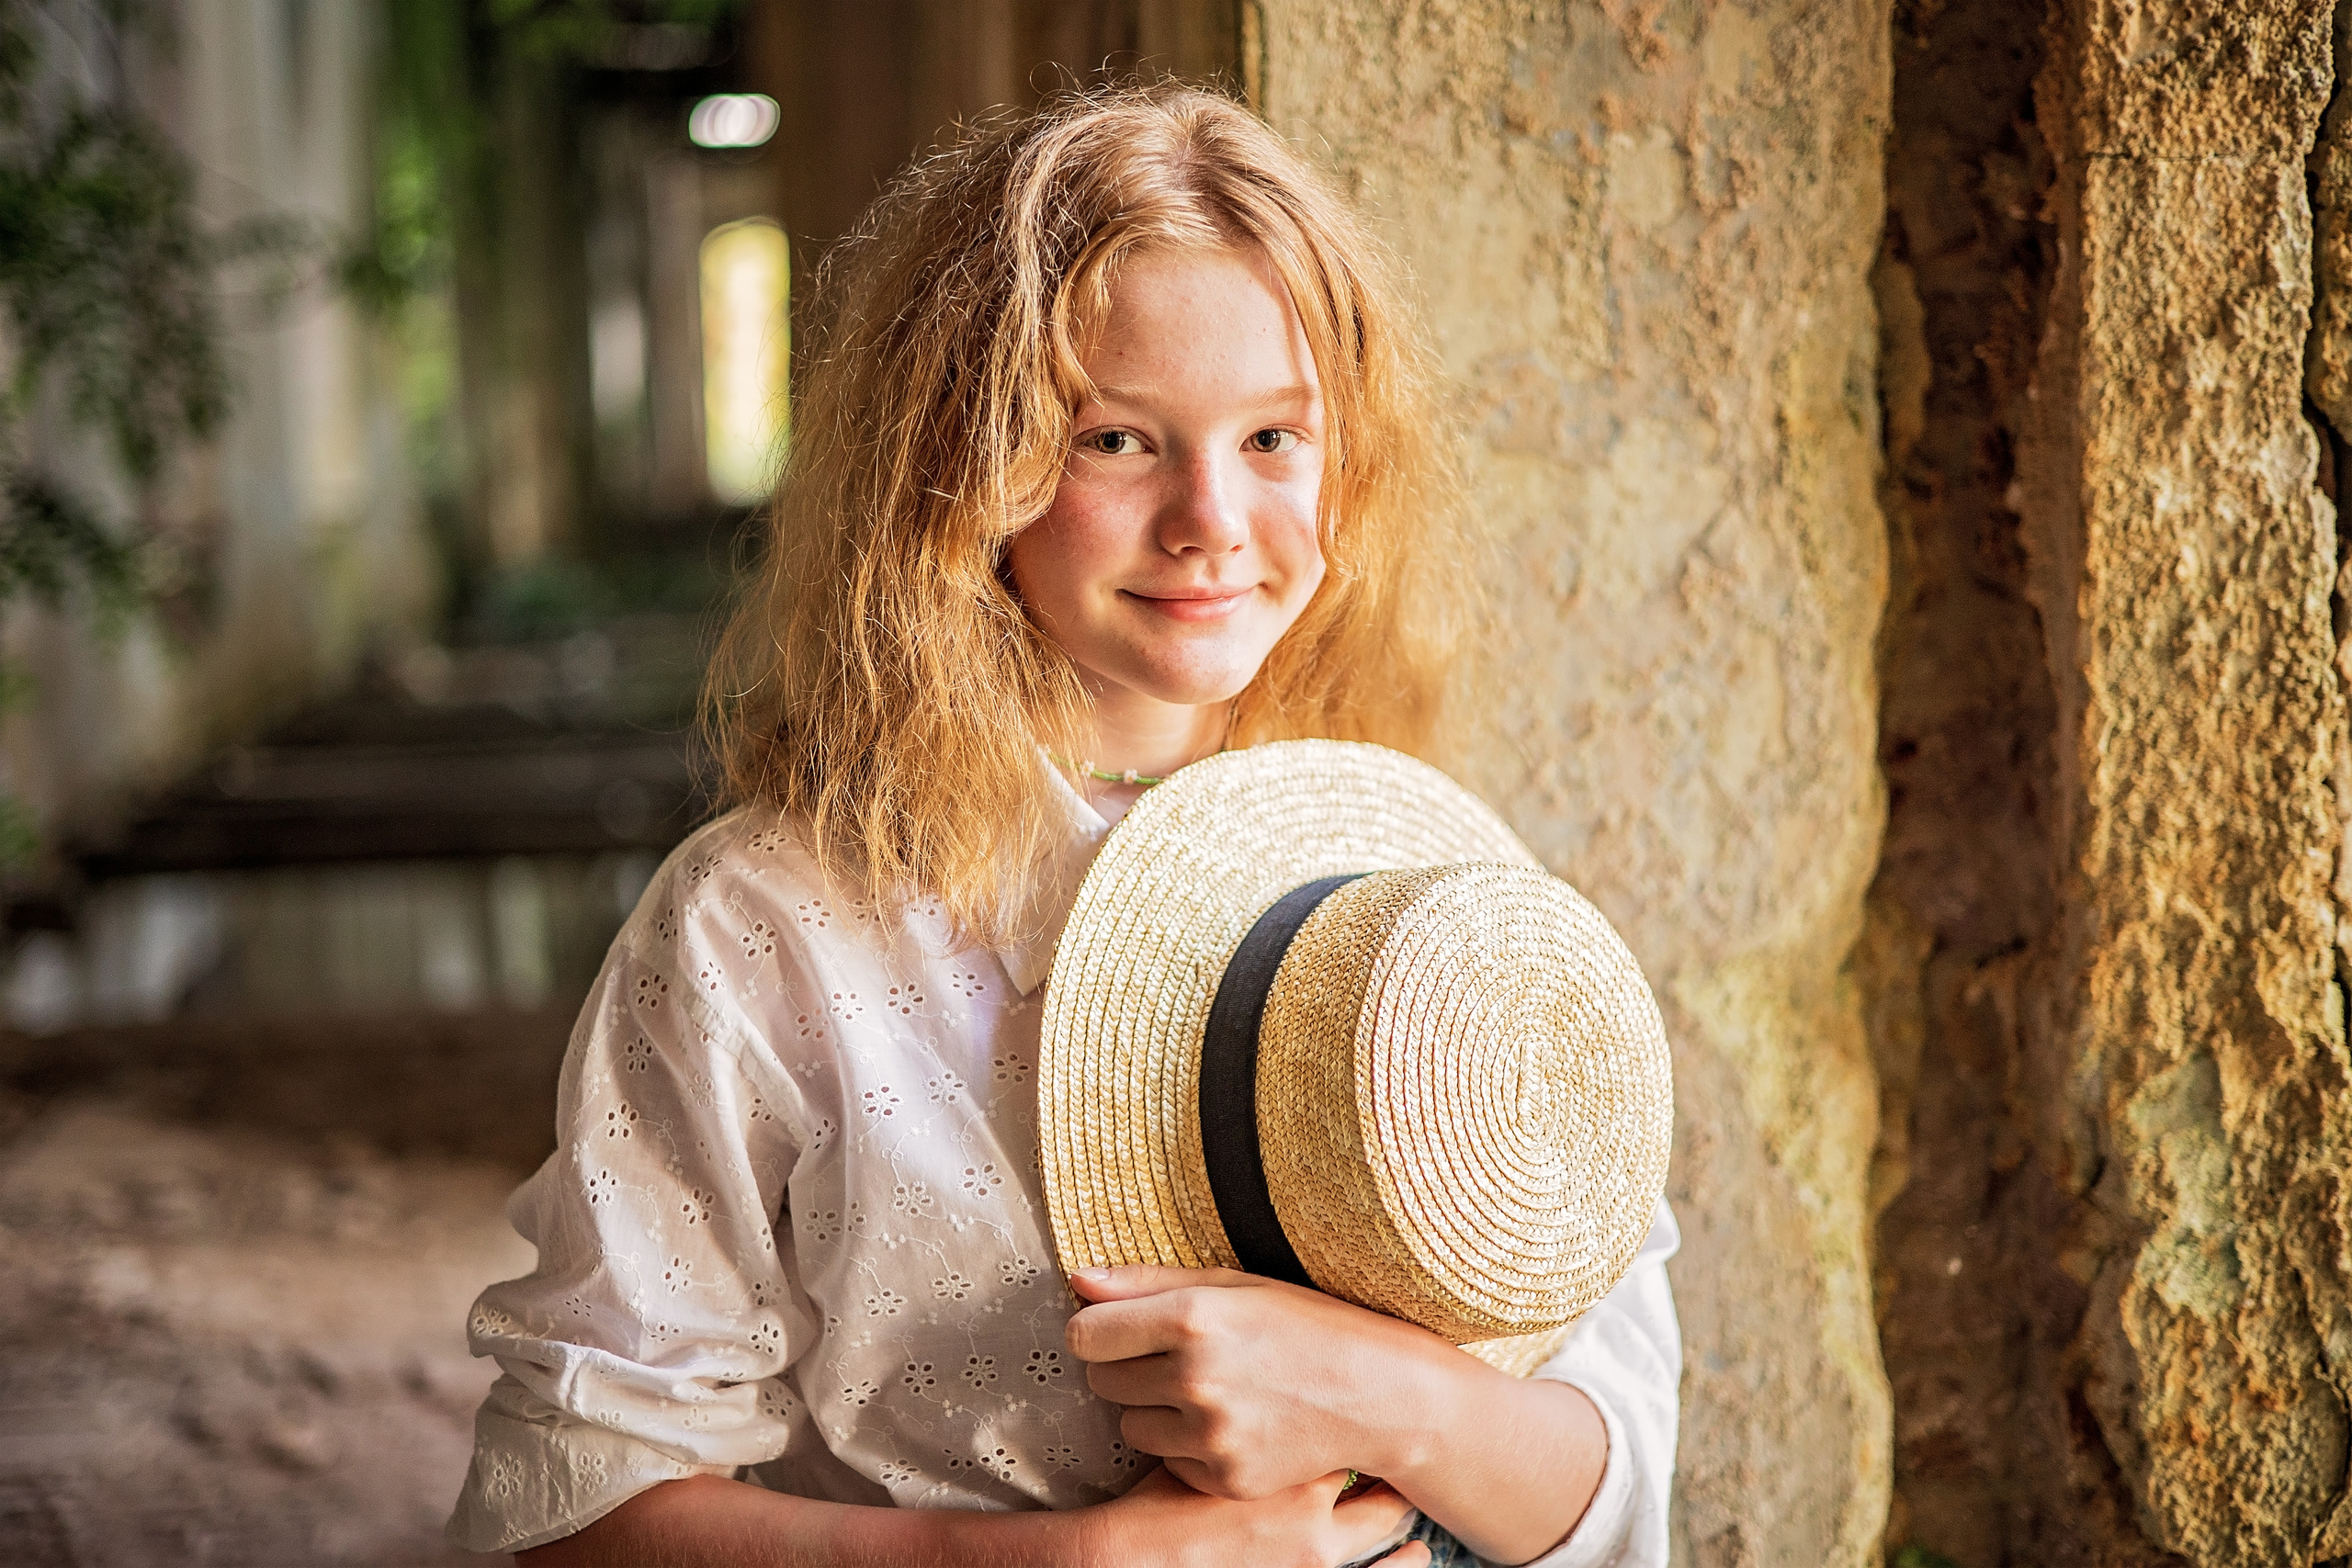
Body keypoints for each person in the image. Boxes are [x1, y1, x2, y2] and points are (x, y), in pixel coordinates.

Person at [447, 84, 1679, 1568]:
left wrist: (1383, 1399)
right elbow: (579, 1516)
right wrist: (1067, 1567)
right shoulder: (766, 926)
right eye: (1115, 441)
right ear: (961, 468)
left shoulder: (1431, 888)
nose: (1212, 520)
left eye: (1277, 436)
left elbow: (1616, 1487)